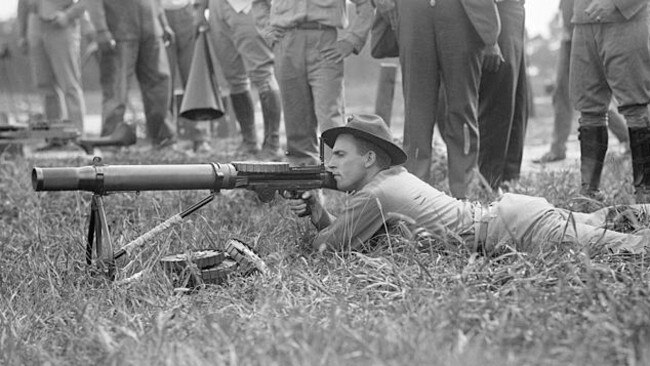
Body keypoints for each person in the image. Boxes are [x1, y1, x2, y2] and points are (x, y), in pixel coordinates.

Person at [286, 114, 648, 255]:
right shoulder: (391, 178)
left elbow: (326, 249)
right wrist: (320, 211)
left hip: (516, 229)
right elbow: (346, 237)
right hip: (514, 216)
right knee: (610, 219)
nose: (330, 163)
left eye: (340, 155)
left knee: (632, 249)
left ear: (368, 160)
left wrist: (318, 212)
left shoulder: (375, 194)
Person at [383, 0, 502, 199]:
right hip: (413, 11)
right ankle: (415, 194)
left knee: (463, 108)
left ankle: (465, 194)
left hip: (460, 12)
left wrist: (490, 33)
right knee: (416, 110)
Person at [251, 0, 373, 166]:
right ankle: (304, 180)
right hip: (286, 41)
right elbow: (258, 3)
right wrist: (267, 30)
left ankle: (336, 178)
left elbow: (365, 5)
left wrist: (352, 40)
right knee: (295, 115)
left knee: (330, 114)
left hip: (324, 42)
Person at [569, 0, 650, 203]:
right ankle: (589, 192)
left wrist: (615, 3)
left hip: (626, 19)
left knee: (635, 105)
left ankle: (645, 191)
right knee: (588, 107)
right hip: (583, 19)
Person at [533, 0, 629, 164]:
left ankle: (628, 138)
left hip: (591, 25)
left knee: (593, 95)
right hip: (570, 29)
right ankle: (558, 147)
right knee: (563, 92)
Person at [85, 0, 177, 149]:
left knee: (159, 84)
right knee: (116, 88)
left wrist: (163, 22)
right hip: (118, 29)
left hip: (151, 27)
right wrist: (101, 29)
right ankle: (111, 140)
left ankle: (163, 138)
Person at [197, 0, 283, 159]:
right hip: (217, 8)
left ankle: (272, 144)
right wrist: (200, 7)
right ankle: (249, 142)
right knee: (234, 79)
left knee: (262, 73)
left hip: (249, 7)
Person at [17, 0, 87, 147]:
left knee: (70, 84)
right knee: (45, 86)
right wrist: (21, 33)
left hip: (61, 25)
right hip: (35, 23)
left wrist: (68, 15)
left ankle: (78, 137)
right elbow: (22, 3)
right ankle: (54, 137)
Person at [477, 0, 528, 190]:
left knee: (517, 98)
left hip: (514, 10)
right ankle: (490, 181)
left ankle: (510, 176)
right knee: (498, 99)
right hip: (495, 10)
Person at [161, 0, 213, 153]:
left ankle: (201, 136)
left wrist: (200, 10)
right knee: (164, 80)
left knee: (194, 77)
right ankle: (167, 138)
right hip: (159, 10)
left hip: (188, 9)